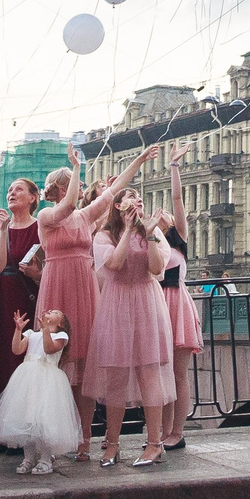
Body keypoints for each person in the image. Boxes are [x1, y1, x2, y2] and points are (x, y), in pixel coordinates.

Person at [37, 142, 161, 462]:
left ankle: (85, 438)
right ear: (62, 189)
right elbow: (66, 209)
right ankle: (53, 436)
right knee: (58, 365)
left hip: (83, 286)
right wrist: (78, 168)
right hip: (58, 285)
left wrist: (140, 159)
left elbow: (117, 189)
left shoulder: (85, 216)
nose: (76, 192)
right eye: (71, 187)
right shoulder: (49, 215)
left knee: (85, 368)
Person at [86, 185, 175, 468]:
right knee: (116, 376)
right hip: (116, 304)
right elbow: (112, 264)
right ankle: (112, 444)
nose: (137, 200)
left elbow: (156, 268)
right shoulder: (103, 235)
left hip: (147, 302)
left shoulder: (152, 230)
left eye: (139, 196)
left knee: (149, 373)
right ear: (118, 206)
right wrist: (126, 231)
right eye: (130, 196)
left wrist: (148, 233)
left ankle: (154, 443)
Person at [0, 178, 43, 455]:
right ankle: (2, 433)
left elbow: (46, 268)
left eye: (18, 189)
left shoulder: (39, 228)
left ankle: (23, 432)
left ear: (34, 197)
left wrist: (37, 274)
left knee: (21, 361)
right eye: (9, 190)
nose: (11, 193)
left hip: (25, 297)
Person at [0, 306, 81, 475]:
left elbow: (49, 349)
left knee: (44, 420)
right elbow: (17, 349)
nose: (50, 311)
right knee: (27, 419)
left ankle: (45, 459)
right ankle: (28, 458)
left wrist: (45, 330)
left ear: (61, 323)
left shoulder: (60, 336)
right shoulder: (32, 334)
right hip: (28, 377)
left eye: (55, 312)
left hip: (47, 379)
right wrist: (19, 330)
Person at [155, 153, 200, 454]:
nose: (162, 212)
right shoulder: (147, 239)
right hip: (156, 303)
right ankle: (160, 431)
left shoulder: (178, 238)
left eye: (166, 213)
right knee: (160, 372)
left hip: (176, 303)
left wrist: (173, 167)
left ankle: (177, 432)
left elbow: (176, 197)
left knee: (178, 373)